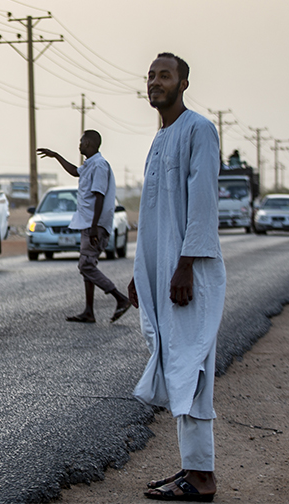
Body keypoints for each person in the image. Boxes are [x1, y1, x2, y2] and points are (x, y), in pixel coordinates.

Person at [129, 53, 225, 502]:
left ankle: (202, 477)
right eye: (150, 76)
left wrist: (185, 266)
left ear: (184, 83)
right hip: (164, 273)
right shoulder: (162, 137)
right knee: (179, 364)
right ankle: (192, 468)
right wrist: (140, 275)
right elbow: (153, 219)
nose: (154, 82)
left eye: (164, 75)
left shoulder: (199, 130)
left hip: (190, 273)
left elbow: (203, 204)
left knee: (194, 366)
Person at [37, 131, 131, 324]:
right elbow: (74, 171)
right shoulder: (90, 165)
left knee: (86, 265)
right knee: (89, 267)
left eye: (81, 142)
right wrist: (55, 156)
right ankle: (89, 311)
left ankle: (120, 298)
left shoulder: (99, 165)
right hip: (88, 223)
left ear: (88, 143)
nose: (79, 145)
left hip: (93, 225)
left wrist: (95, 226)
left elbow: (99, 196)